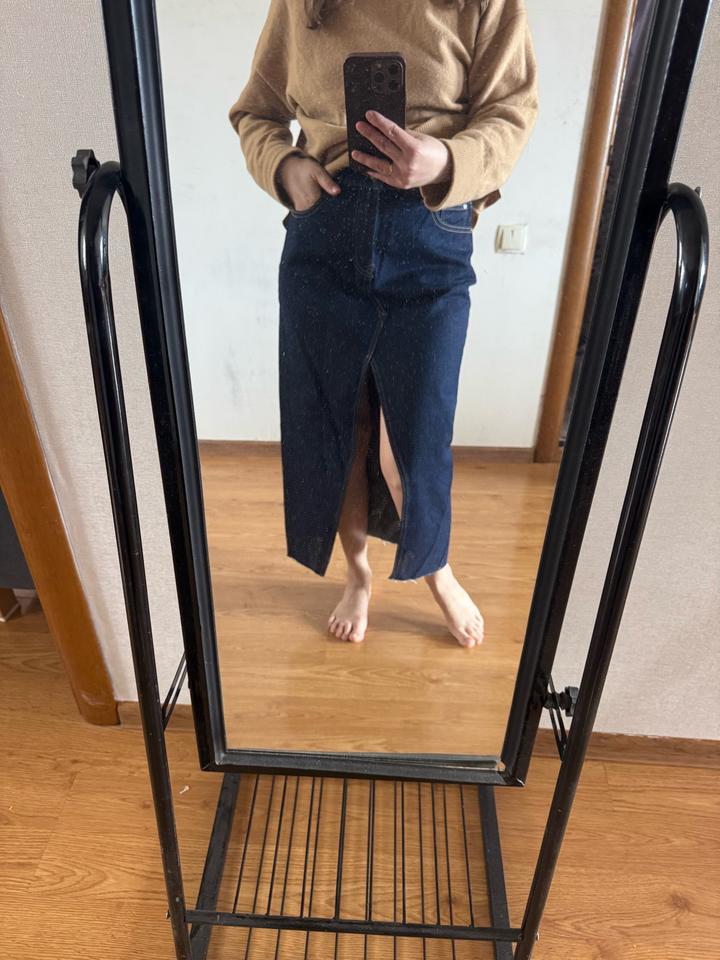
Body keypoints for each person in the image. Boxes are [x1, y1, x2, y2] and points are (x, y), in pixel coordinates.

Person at [228, 0, 538, 647]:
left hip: (429, 232)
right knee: (338, 431)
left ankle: (435, 567)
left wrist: (445, 160)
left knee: (416, 438)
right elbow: (256, 112)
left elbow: (511, 111)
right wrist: (284, 167)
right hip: (326, 229)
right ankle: (359, 574)